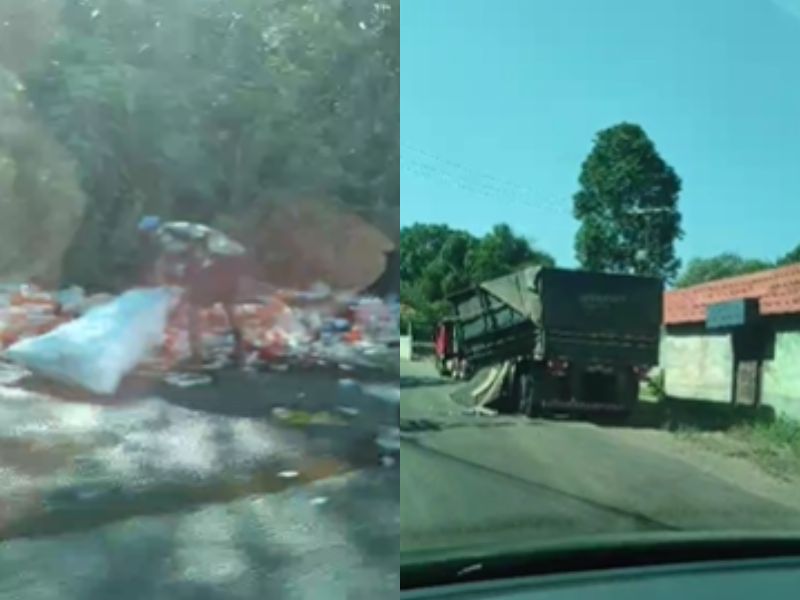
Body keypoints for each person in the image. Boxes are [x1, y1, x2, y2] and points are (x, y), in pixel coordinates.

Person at [137, 215, 248, 368]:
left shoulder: (165, 233)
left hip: (212, 263)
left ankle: (197, 356)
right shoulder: (183, 226)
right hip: (231, 259)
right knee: (228, 305)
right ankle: (240, 350)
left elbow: (190, 255)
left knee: (193, 309)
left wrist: (186, 280)